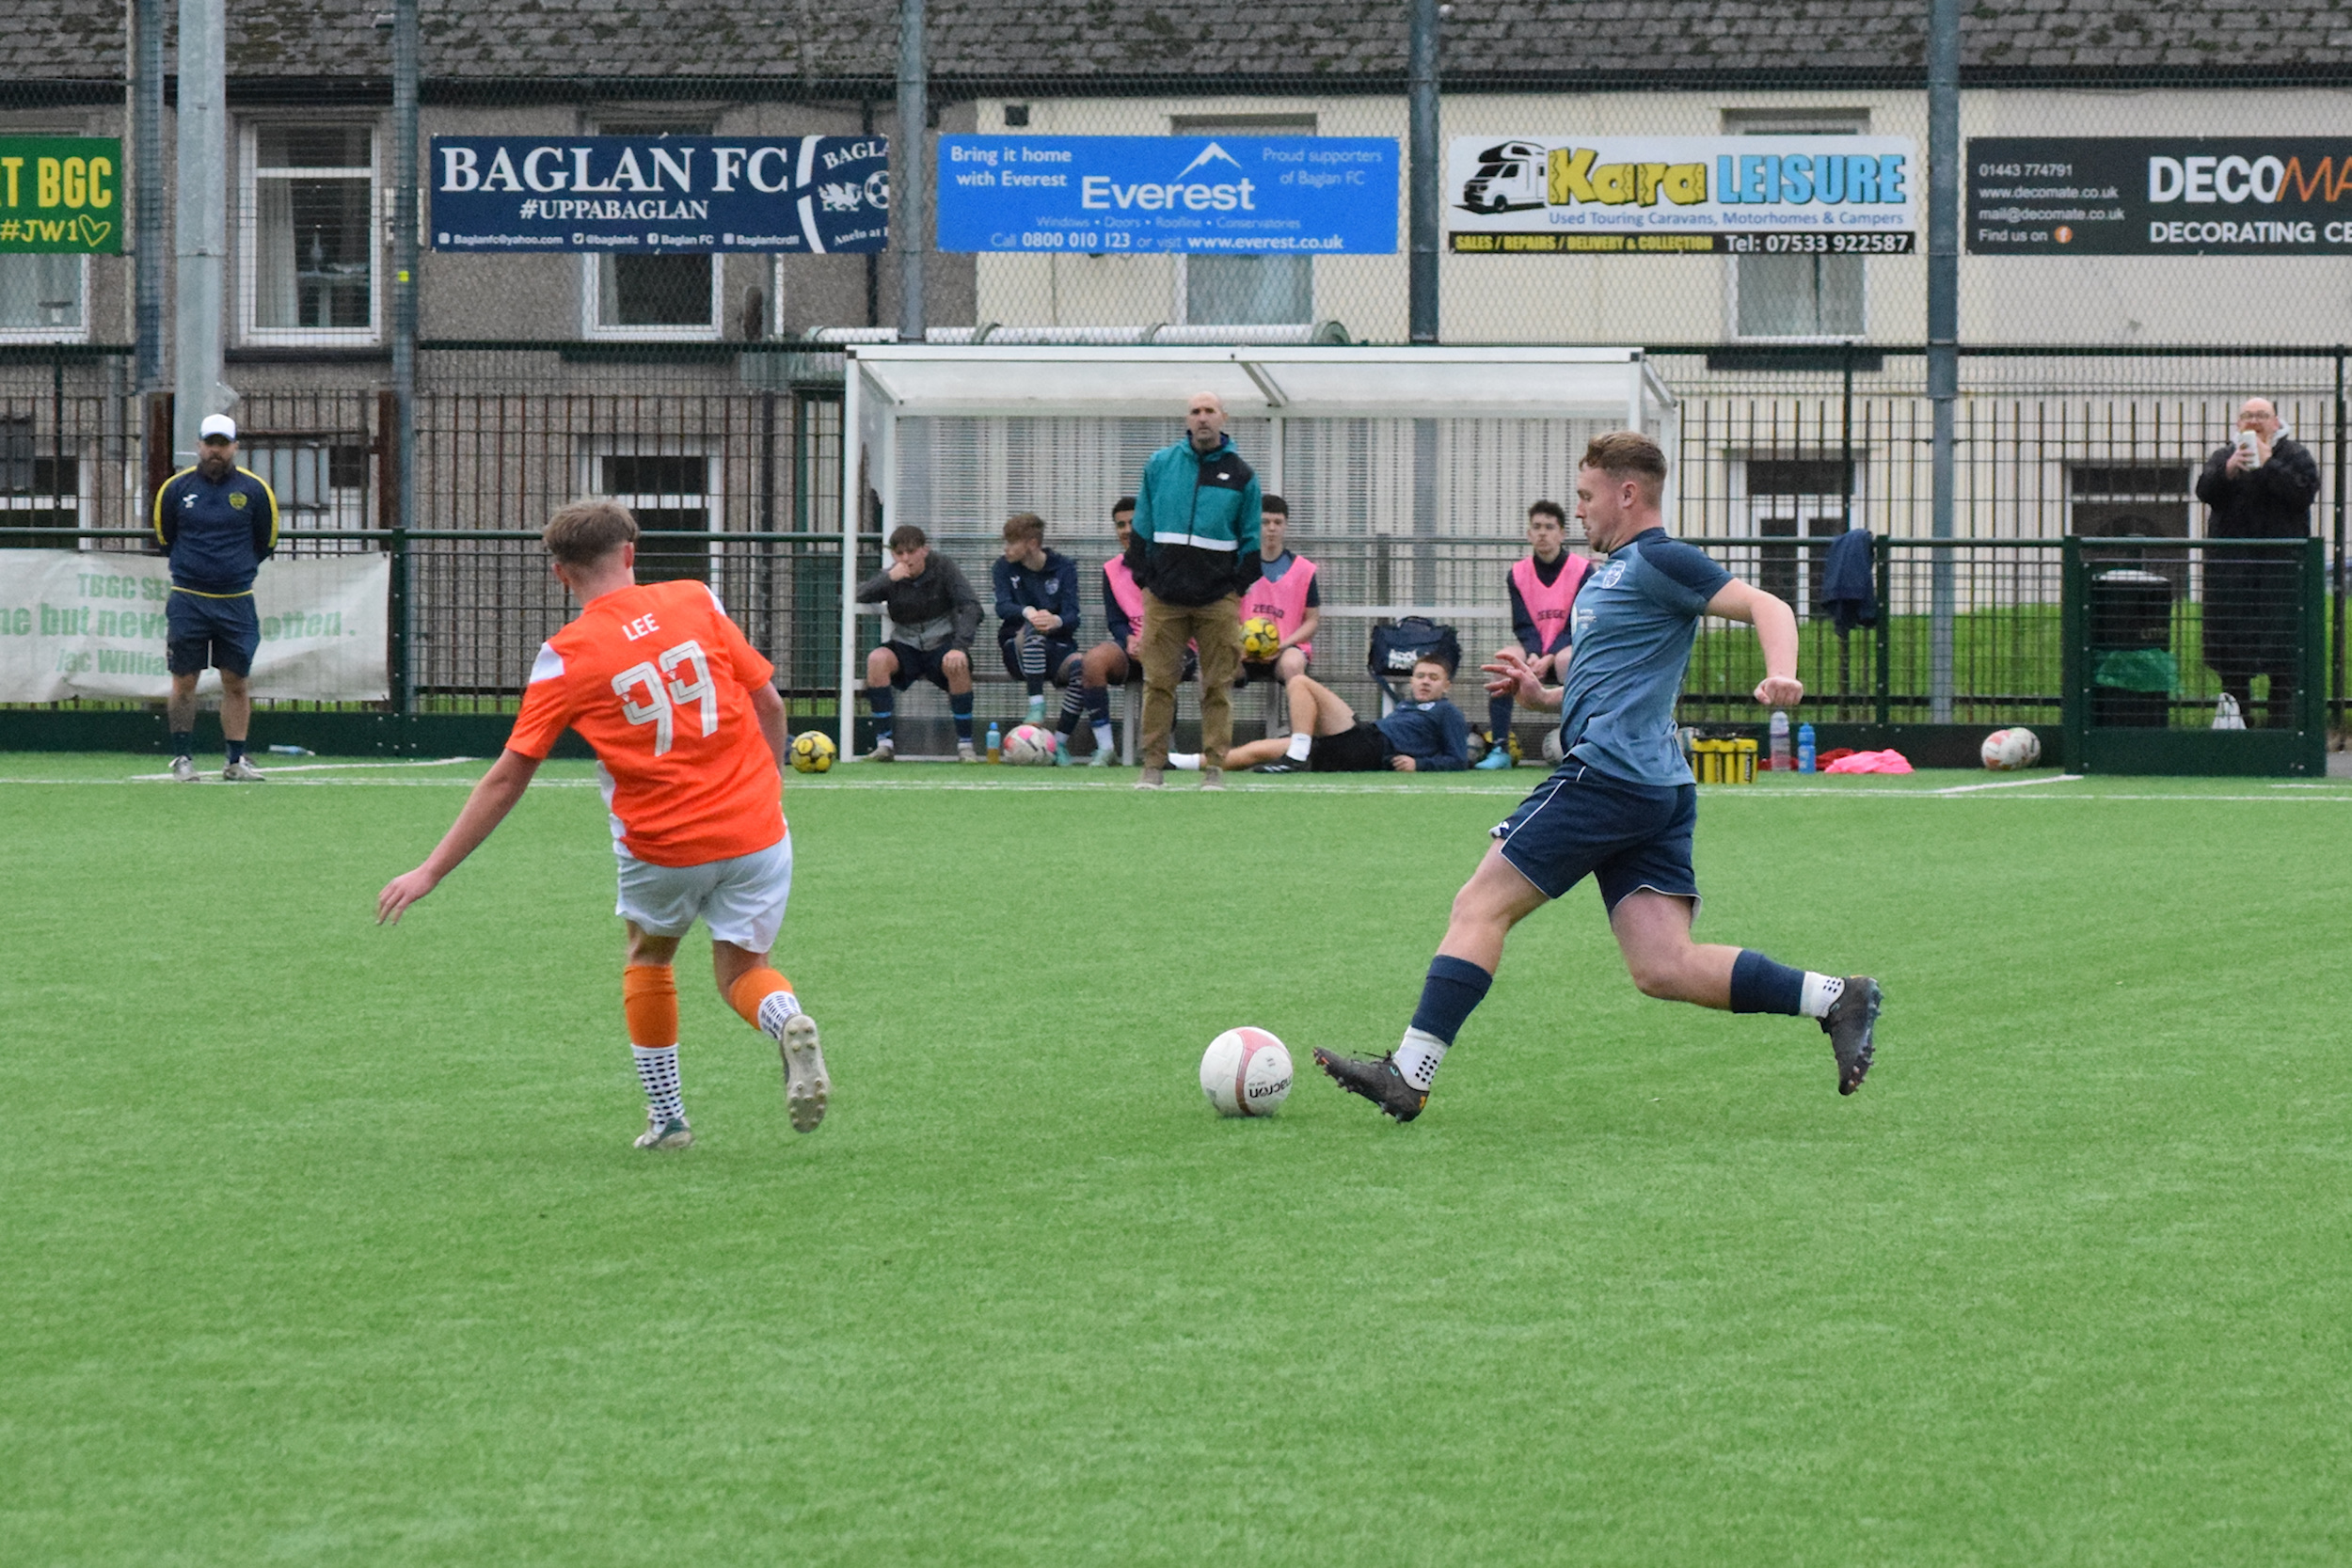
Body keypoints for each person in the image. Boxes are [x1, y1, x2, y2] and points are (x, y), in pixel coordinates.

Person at [1313, 432, 1883, 1123]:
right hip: (1652, 785)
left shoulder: (1662, 559)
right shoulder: (1608, 573)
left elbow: (1771, 606)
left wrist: (1782, 669)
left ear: (1627, 493)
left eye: (1586, 496)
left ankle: (1411, 1070)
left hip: (1609, 777)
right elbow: (1614, 675)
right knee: (1662, 965)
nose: (1579, 510)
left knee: (1478, 904)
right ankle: (1835, 997)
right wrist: (1543, 696)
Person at [375, 500, 828, 1150]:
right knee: (741, 969)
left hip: (664, 843)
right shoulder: (698, 599)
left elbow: (508, 776)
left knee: (649, 956)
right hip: (758, 830)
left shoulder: (565, 657)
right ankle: (784, 1017)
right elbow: (771, 703)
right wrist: (770, 787)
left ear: (561, 575)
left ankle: (669, 1119)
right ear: (631, 551)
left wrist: (429, 869)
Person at [1130, 390, 1261, 790]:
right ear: (1187, 419)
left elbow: (1251, 540)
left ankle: (1215, 769)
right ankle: (1153, 766)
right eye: (1195, 411)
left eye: (1209, 411)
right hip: (1164, 598)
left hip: (1217, 600)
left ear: (1223, 417)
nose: (1202, 418)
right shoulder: (1160, 465)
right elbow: (1141, 526)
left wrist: (1234, 588)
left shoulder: (1243, 475)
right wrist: (1147, 579)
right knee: (1158, 684)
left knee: (1217, 685)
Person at [152, 414, 279, 783]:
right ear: (199, 445)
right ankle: (182, 757)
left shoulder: (255, 491)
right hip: (188, 599)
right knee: (184, 681)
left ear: (235, 447)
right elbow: (165, 538)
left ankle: (235, 760)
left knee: (236, 681)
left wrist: (233, 570)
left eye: (223, 444)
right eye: (210, 443)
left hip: (236, 600)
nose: (216, 451)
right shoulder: (175, 490)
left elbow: (265, 541)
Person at [2196, 397, 2319, 729]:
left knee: (2283, 648)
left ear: (2276, 422)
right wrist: (2229, 469)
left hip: (2281, 571)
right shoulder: (2224, 455)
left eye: (2261, 415)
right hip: (2231, 571)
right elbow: (2205, 490)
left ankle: (2283, 723)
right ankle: (2238, 719)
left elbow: (2302, 493)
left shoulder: (2295, 456)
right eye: (2247, 416)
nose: (2254, 421)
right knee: (2231, 645)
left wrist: (2268, 463)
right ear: (2237, 424)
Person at [1053, 498, 1193, 766]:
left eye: (1133, 523)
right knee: (1092, 661)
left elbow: (1184, 612)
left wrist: (1152, 640)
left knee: (1162, 663)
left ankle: (1162, 745)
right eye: (1120, 525)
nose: (1127, 530)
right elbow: (1116, 619)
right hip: (1134, 647)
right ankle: (1106, 748)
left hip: (1174, 645)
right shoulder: (1112, 569)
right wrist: (1128, 639)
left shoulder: (1171, 561)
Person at [1170, 656, 1469, 774]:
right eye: (1420, 676)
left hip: (1371, 745)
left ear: (1447, 684)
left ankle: (1297, 755)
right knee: (1258, 750)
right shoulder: (1406, 705)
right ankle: (1178, 762)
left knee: (1299, 681)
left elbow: (1458, 759)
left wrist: (1420, 763)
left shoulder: (1447, 712)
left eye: (1433, 677)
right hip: (1355, 747)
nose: (1425, 682)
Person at [1477, 499, 1590, 770]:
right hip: (1534, 650)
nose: (1542, 533)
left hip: (1565, 648)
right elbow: (1523, 623)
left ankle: (1578, 744)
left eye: (1549, 527)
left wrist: (1549, 657)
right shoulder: (1517, 573)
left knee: (1568, 661)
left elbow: (1578, 622)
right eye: (1537, 527)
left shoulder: (1583, 569)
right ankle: (1500, 748)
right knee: (1504, 662)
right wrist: (1533, 654)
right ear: (1529, 534)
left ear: (1562, 533)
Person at [858, 523, 983, 762]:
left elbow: (971, 606)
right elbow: (858, 594)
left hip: (941, 642)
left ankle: (966, 745)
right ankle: (884, 744)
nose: (906, 559)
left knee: (958, 664)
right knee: (877, 659)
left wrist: (959, 646)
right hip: (905, 645)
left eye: (911, 551)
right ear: (893, 554)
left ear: (924, 550)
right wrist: (886, 579)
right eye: (899, 553)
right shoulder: (892, 575)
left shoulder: (944, 568)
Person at [990, 512, 1084, 728]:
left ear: (1032, 543)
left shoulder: (1064, 567)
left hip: (1058, 648)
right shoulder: (1003, 567)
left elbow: (1073, 615)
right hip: (1018, 650)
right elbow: (1002, 607)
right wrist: (1028, 612)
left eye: (1012, 542)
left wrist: (1056, 621)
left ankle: (1060, 741)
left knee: (1082, 668)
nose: (1006, 548)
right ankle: (1036, 706)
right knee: (1034, 629)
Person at [1235, 495, 1318, 687]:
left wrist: (1284, 644)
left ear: (1286, 525)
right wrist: (1236, 643)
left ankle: (1301, 717)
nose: (1272, 528)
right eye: (1265, 522)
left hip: (1286, 647)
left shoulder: (1303, 569)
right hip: (1243, 648)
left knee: (1292, 666)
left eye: (1278, 522)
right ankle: (1215, 717)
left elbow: (1312, 619)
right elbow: (1226, 610)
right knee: (1213, 667)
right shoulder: (1240, 566)